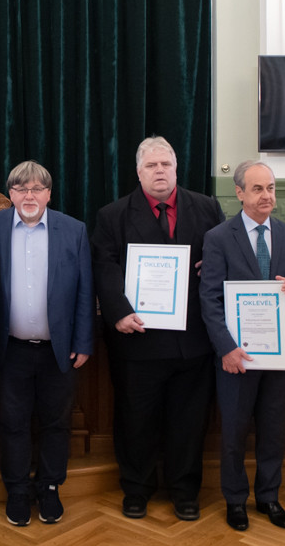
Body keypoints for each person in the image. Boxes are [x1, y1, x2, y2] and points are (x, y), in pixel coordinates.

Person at [91, 136, 225, 522]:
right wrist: (118, 312)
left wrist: (214, 264)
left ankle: (185, 491)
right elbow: (104, 267)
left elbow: (223, 255)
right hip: (138, 339)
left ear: (176, 168)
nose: (160, 171)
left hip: (193, 340)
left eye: (166, 164)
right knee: (136, 420)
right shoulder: (113, 215)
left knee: (189, 421)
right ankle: (136, 488)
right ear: (139, 172)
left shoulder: (207, 208)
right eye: (151, 165)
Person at [0, 161, 94, 527]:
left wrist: (83, 341)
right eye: (21, 189)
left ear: (48, 194)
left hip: (58, 350)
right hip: (9, 349)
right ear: (10, 194)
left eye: (36, 189)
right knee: (12, 423)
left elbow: (85, 289)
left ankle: (49, 487)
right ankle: (17, 490)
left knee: (56, 422)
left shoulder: (74, 230)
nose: (29, 196)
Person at [200, 160, 285, 532]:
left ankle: (268, 497)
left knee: (273, 430)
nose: (267, 195)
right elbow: (209, 298)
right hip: (237, 356)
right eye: (258, 188)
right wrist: (226, 348)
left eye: (271, 188)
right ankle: (235, 500)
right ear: (240, 193)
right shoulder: (218, 237)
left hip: (278, 354)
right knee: (233, 432)